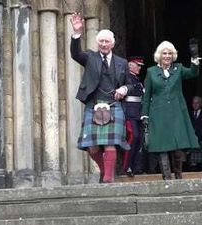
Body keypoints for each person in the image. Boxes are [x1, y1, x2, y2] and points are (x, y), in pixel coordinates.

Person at [70, 12, 133, 183]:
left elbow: (130, 83)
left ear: (112, 44)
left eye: (107, 41)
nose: (104, 44)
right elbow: (75, 54)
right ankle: (105, 170)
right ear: (97, 43)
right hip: (94, 104)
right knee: (92, 147)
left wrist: (124, 89)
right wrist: (76, 33)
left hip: (113, 104)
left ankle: (108, 178)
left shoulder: (122, 63)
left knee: (110, 143)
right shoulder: (90, 57)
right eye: (101, 41)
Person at [141, 40, 201, 180]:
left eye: (169, 53)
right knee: (162, 146)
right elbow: (147, 95)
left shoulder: (178, 68)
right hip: (158, 113)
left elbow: (193, 73)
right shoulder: (151, 72)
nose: (167, 56)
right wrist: (144, 114)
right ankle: (167, 179)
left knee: (177, 146)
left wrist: (194, 58)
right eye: (164, 53)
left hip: (176, 112)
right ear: (159, 55)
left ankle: (178, 176)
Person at [122, 57, 145, 177]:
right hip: (129, 113)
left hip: (138, 113)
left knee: (139, 139)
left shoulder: (137, 80)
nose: (140, 68)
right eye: (138, 65)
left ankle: (135, 166)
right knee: (133, 137)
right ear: (130, 66)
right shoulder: (126, 78)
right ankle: (127, 167)